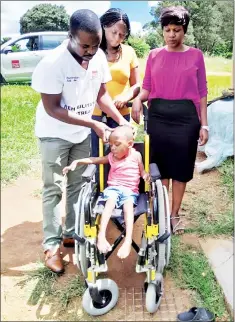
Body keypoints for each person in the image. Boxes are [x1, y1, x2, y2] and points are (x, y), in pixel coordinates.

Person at [31, 9, 130, 274]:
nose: (90, 51)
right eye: (84, 45)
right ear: (70, 36)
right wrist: (93, 123)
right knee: (53, 188)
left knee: (78, 185)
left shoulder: (98, 57)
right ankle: (52, 247)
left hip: (79, 135)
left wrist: (121, 120)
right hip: (54, 133)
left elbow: (102, 95)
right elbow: (52, 108)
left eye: (95, 45)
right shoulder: (53, 63)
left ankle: (72, 233)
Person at [131, 6, 208, 235]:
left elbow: (202, 92)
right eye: (167, 30)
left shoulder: (196, 55)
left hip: (186, 119)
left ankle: (174, 214)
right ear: (162, 31)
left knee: (181, 169)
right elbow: (146, 89)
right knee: (162, 169)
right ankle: (163, 213)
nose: (172, 34)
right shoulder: (154, 55)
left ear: (184, 30)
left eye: (177, 29)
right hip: (159, 118)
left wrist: (204, 124)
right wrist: (136, 100)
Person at [63, 125, 149, 259]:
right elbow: (95, 160)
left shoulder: (136, 156)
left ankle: (127, 241)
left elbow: (142, 170)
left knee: (128, 208)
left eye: (117, 144)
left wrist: (145, 175)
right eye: (110, 144)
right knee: (110, 202)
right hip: (113, 189)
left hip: (130, 191)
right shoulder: (111, 157)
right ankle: (101, 236)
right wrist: (78, 161)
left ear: (130, 144)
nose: (112, 148)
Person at [91, 8, 140, 158]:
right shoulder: (92, 52)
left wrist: (126, 97)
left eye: (122, 35)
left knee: (121, 157)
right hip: (95, 114)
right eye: (114, 32)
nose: (117, 38)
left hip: (121, 114)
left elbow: (137, 85)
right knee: (97, 156)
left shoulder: (129, 52)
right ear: (103, 26)